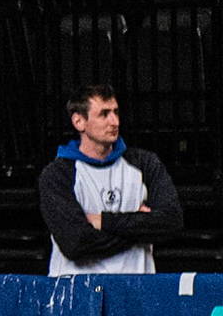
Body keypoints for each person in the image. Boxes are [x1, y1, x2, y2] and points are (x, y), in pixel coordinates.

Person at [40, 84, 182, 274]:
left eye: (116, 112)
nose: (114, 121)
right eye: (104, 114)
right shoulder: (57, 174)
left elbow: (171, 221)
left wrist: (103, 222)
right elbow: (75, 243)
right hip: (79, 288)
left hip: (135, 286)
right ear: (79, 122)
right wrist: (140, 226)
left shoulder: (145, 163)